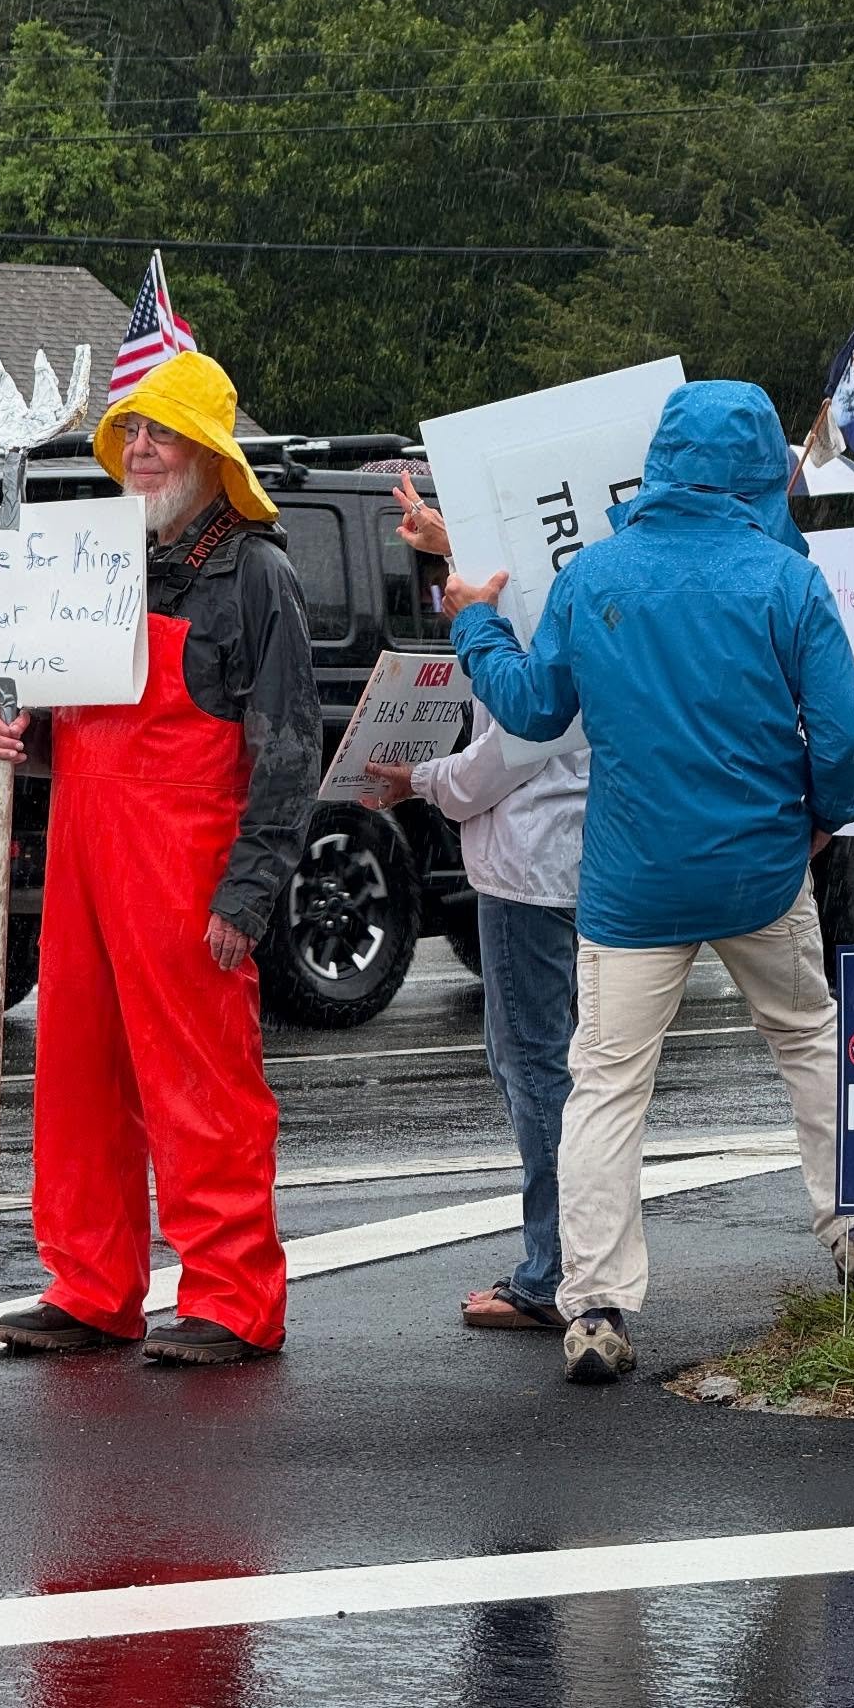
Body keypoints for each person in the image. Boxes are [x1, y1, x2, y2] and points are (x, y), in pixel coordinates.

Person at [442, 379, 854, 1384]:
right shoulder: (786, 580)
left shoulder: (597, 574)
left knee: (604, 1086)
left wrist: (475, 624)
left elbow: (533, 711)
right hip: (760, 868)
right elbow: (848, 730)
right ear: (761, 467)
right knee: (808, 1035)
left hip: (633, 881)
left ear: (664, 462)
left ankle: (594, 1304)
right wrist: (823, 813)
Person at [0, 351, 321, 1365]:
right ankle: (90, 1285)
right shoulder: (101, 564)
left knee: (202, 1086)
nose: (139, 450)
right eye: (130, 432)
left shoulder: (257, 575)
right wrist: (21, 738)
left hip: (187, 866)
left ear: (211, 457)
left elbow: (290, 747)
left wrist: (250, 889)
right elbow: (67, 713)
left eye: (161, 434)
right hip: (85, 856)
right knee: (78, 1072)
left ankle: (231, 1298)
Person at [363, 474, 587, 1331]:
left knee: (535, 1065)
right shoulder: (582, 578)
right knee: (572, 1066)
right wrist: (445, 539)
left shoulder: (519, 615)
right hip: (584, 855)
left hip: (529, 865)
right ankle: (577, 1257)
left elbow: (516, 742)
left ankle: (553, 1272)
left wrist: (418, 780)